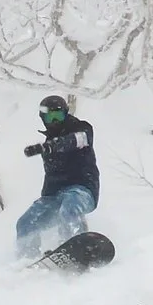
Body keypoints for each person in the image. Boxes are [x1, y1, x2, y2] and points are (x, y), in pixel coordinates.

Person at [16, 94, 99, 261]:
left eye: (58, 115)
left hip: (82, 189)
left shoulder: (82, 129)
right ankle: (29, 260)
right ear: (43, 118)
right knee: (26, 222)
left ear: (66, 113)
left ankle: (77, 248)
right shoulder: (48, 141)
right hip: (53, 195)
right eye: (50, 116)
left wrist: (49, 147)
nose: (54, 121)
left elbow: (74, 141)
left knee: (69, 208)